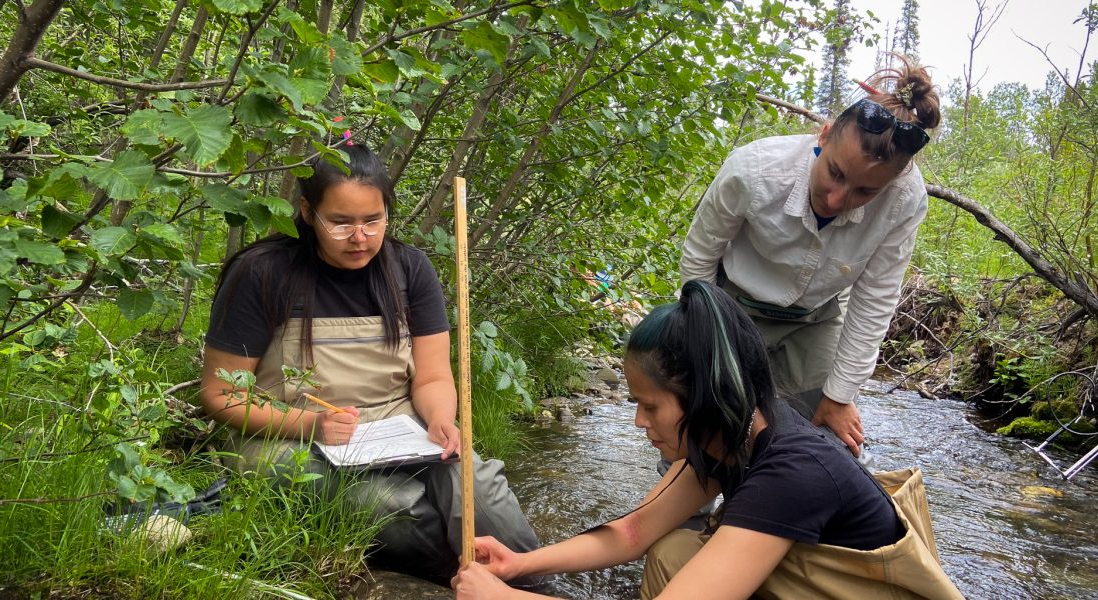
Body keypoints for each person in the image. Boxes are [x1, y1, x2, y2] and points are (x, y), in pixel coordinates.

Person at [451, 280, 962, 599]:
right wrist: (521, 563)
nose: (637, 422)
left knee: (680, 558)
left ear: (705, 397)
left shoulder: (794, 470)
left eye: (649, 405)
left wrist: (503, 598)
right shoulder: (735, 430)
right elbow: (634, 534)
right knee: (673, 550)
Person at [199, 144, 545, 587]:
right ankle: (463, 583)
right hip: (283, 431)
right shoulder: (262, 272)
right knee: (391, 502)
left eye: (372, 221)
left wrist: (441, 418)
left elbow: (434, 375)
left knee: (475, 481)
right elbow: (220, 394)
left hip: (394, 425)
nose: (359, 237)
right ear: (308, 212)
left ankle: (530, 587)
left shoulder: (409, 269)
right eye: (340, 223)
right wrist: (310, 425)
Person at [679, 56, 942, 456]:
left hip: (817, 318)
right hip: (731, 306)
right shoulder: (753, 171)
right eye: (835, 172)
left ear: (892, 183)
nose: (838, 199)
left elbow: (875, 300)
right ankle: (693, 517)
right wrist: (703, 344)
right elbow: (699, 260)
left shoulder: (905, 200)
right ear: (823, 134)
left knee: (821, 444)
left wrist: (839, 396)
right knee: (705, 429)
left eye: (865, 192)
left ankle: (776, 513)